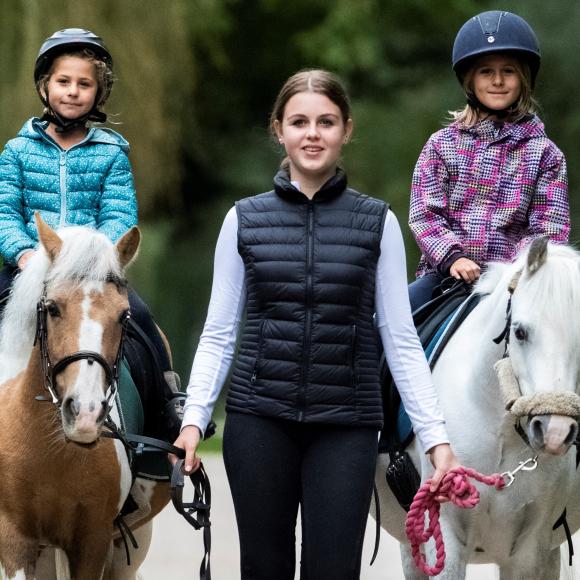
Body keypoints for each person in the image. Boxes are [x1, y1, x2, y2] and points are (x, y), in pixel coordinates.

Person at [174, 69, 459, 580]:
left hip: (346, 426)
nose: (313, 133)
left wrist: (436, 438)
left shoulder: (379, 223)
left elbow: (399, 339)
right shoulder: (243, 219)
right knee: (266, 568)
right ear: (278, 129)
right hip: (259, 421)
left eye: (326, 122)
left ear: (345, 130)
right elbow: (219, 332)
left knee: (334, 570)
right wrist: (193, 420)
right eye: (299, 121)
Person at [0, 28, 180, 429]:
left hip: (92, 274)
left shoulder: (111, 153)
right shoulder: (17, 151)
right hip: (29, 268)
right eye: (64, 81)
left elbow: (119, 215)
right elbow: (5, 213)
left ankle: (167, 413)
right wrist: (23, 252)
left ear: (98, 94)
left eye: (85, 84)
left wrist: (101, 255)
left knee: (145, 325)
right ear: (45, 87)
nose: (73, 91)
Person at [408, 10, 569, 312]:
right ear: (469, 79)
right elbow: (425, 215)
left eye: (508, 71)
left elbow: (548, 229)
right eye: (485, 72)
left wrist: (513, 270)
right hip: (444, 278)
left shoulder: (546, 154)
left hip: (513, 285)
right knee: (381, 326)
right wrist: (453, 257)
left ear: (523, 78)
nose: (497, 81)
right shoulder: (441, 146)